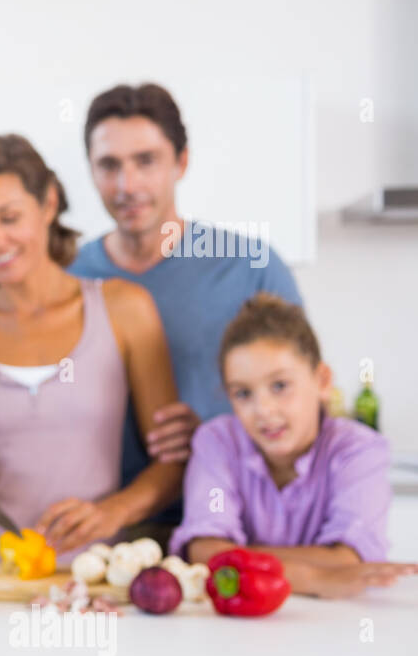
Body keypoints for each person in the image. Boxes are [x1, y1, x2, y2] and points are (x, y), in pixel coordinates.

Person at [0, 134, 183, 561]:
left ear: (48, 205)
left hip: (91, 572)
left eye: (9, 218)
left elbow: (172, 459)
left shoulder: (124, 310)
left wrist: (114, 512)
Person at [68, 83, 304, 540]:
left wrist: (217, 434)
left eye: (146, 161)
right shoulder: (68, 277)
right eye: (109, 165)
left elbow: (303, 405)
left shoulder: (250, 267)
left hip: (235, 524)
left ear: (181, 162)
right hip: (108, 528)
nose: (127, 185)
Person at [171, 294, 417, 598]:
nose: (263, 410)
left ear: (322, 381)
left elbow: (349, 559)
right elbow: (206, 550)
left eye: (279, 386)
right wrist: (312, 577)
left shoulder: (357, 451)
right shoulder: (219, 445)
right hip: (240, 623)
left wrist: (236, 555)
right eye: (243, 393)